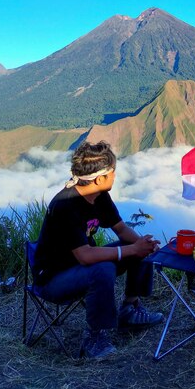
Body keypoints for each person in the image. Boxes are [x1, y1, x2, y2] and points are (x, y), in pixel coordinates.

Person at [34, 140, 163, 360]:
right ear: (100, 177)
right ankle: (94, 337)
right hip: (53, 279)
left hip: (80, 266)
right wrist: (130, 250)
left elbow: (120, 228)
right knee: (102, 269)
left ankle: (130, 310)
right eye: (113, 172)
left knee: (138, 249)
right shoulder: (66, 204)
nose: (115, 176)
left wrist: (143, 246)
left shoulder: (99, 195)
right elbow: (85, 256)